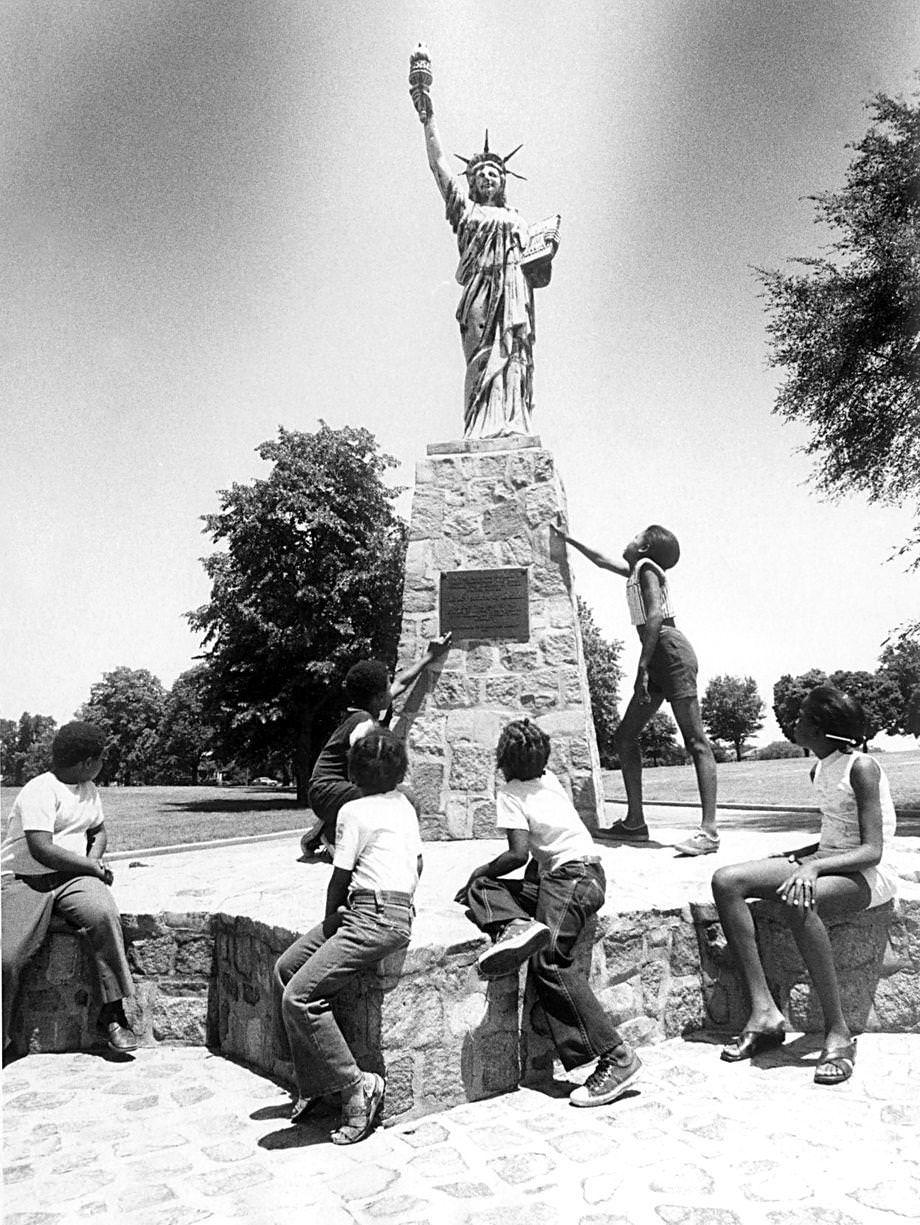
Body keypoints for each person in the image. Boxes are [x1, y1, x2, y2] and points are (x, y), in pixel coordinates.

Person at [711, 684, 898, 1084]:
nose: (794, 722)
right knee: (728, 881)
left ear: (819, 728)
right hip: (831, 862)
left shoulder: (861, 767)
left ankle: (839, 1031)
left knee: (800, 899)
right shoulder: (819, 768)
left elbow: (872, 849)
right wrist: (801, 855)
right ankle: (764, 1014)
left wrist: (813, 869)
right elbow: (833, 833)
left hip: (865, 874)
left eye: (801, 717)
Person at [455, 718, 641, 1107]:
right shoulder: (551, 780)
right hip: (586, 874)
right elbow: (540, 857)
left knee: (549, 961)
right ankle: (519, 925)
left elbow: (518, 855)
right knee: (484, 892)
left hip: (570, 879)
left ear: (503, 760)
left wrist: (481, 869)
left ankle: (617, 1057)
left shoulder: (509, 793)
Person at [274, 728, 422, 1144]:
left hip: (371, 917)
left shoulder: (353, 811)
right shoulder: (404, 805)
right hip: (385, 909)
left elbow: (338, 882)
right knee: (286, 968)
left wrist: (331, 926)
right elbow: (418, 864)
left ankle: (358, 1086)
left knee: (299, 996)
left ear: (353, 774)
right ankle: (319, 1085)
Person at [413, 54, 559, 438]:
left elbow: (537, 273)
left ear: (503, 181)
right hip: (479, 289)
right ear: (473, 183)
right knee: (480, 359)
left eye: (494, 174)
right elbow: (439, 167)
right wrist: (428, 117)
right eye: (480, 175)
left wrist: (547, 251)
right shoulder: (465, 212)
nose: (487, 179)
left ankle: (512, 424)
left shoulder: (517, 219)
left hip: (514, 293)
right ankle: (477, 430)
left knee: (513, 355)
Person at [552, 521, 719, 856]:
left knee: (696, 741)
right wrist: (568, 538)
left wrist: (642, 667)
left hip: (669, 654)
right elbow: (601, 560)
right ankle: (635, 822)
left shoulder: (647, 570)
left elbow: (655, 615)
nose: (628, 541)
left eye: (635, 537)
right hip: (657, 654)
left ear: (644, 549)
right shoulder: (635, 570)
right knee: (624, 736)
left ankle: (709, 833)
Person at [1, 722, 137, 1057]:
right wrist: (91, 867)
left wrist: (92, 859)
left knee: (103, 914)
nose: (102, 765)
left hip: (70, 878)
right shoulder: (40, 790)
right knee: (5, 958)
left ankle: (112, 1014)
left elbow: (99, 831)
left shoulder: (89, 787)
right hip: (24, 879)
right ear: (86, 761)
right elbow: (41, 849)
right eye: (100, 759)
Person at [302, 635, 451, 857]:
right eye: (387, 684)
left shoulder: (364, 709)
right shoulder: (363, 723)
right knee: (403, 797)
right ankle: (335, 837)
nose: (392, 687)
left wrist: (429, 656)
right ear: (378, 698)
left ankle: (324, 829)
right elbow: (362, 769)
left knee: (390, 794)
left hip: (329, 792)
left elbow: (402, 683)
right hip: (328, 791)